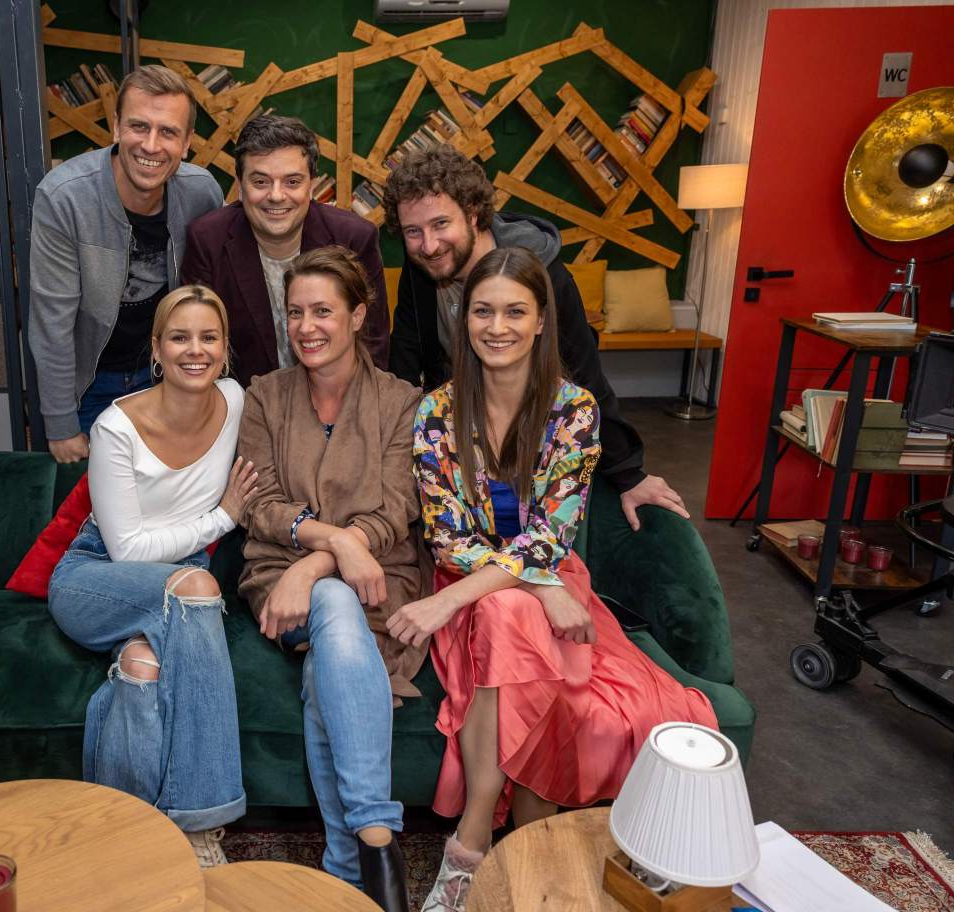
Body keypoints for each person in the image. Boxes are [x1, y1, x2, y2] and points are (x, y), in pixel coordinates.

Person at [388, 247, 719, 912]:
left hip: (517, 583)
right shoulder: (435, 412)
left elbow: (551, 534)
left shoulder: (575, 410)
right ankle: (516, 850)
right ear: (464, 320)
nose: (497, 327)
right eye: (483, 311)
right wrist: (537, 588)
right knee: (504, 612)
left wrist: (475, 596)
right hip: (480, 580)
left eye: (515, 312)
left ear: (541, 320)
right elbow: (449, 537)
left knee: (508, 618)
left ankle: (473, 847)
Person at [47, 285, 258, 868]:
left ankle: (124, 828)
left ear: (225, 349)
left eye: (209, 338)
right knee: (198, 588)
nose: (196, 350)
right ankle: (203, 822)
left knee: (141, 670)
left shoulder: (235, 400)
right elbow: (128, 549)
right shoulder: (116, 426)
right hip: (97, 577)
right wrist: (223, 518)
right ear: (158, 349)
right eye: (180, 338)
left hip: (176, 581)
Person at [237, 246, 419, 912]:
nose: (306, 327)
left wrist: (320, 561)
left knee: (328, 662)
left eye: (322, 311)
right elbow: (259, 504)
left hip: (377, 579)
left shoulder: (401, 402)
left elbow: (397, 509)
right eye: (295, 313)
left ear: (358, 315)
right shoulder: (264, 396)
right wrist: (333, 541)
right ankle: (378, 840)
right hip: (277, 577)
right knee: (336, 603)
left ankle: (348, 865)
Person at [382, 145, 687, 532]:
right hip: (458, 437)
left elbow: (583, 369)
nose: (428, 245)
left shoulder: (541, 273)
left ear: (472, 213)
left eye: (441, 224)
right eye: (413, 232)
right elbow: (406, 360)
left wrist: (628, 473)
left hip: (534, 447)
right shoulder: (424, 266)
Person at [30, 64, 222, 463]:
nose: (151, 145)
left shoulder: (202, 194)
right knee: (87, 500)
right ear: (116, 127)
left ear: (187, 142)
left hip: (166, 378)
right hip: (90, 385)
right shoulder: (65, 197)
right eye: (139, 126)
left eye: (168, 132)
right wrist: (61, 424)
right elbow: (52, 322)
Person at [182, 115, 390, 385]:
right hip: (242, 399)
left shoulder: (353, 238)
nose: (276, 196)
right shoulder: (207, 240)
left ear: (312, 185)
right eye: (260, 182)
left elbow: (372, 346)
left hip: (337, 396)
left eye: (292, 182)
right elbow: (197, 347)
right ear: (240, 185)